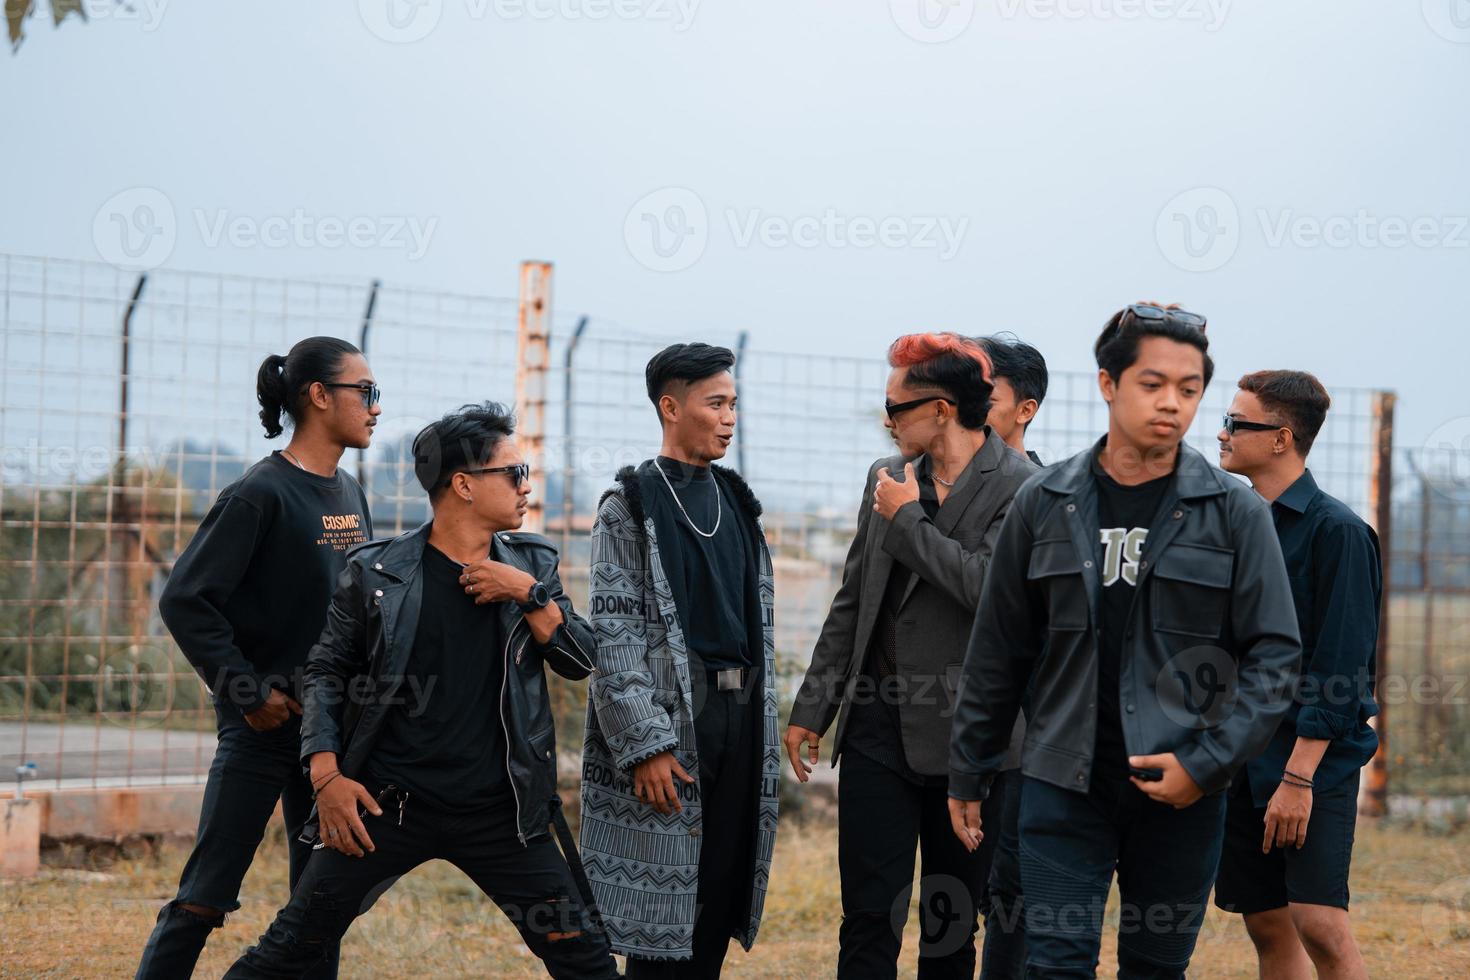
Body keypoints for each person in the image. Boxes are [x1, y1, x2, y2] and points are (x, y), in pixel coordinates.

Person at [947, 303, 1303, 978]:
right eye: (1152, 384)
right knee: (1053, 965)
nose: (1172, 403)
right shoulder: (1045, 502)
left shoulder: (1235, 513)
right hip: (1062, 783)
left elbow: (1275, 659)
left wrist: (1207, 764)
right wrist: (971, 766)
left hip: (1183, 794)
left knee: (1155, 967)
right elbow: (999, 649)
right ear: (1109, 384)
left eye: (1189, 389)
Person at [224, 402, 619, 978]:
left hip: (501, 812)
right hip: (388, 805)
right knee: (294, 945)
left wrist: (529, 594)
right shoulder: (376, 574)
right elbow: (326, 674)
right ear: (462, 484)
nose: (525, 486)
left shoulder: (532, 565)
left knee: (580, 953)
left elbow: (580, 661)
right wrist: (326, 775)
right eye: (513, 473)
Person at [786, 332, 1037, 978]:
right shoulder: (886, 477)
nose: (887, 420)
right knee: (868, 919)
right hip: (878, 728)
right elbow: (853, 599)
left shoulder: (1026, 488)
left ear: (942, 410)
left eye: (896, 408)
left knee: (950, 928)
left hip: (973, 740)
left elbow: (990, 591)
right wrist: (813, 705)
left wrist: (908, 523)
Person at [136, 337, 377, 979]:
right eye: (366, 392)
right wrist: (246, 693)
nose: (377, 408)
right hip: (262, 730)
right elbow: (186, 600)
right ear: (319, 396)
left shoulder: (350, 490)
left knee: (319, 902)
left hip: (325, 736)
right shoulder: (261, 493)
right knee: (204, 896)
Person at [580, 343, 780, 978]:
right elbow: (613, 638)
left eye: (734, 404)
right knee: (661, 923)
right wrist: (644, 745)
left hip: (740, 721)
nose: (729, 418)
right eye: (715, 403)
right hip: (673, 728)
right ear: (670, 407)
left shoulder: (739, 504)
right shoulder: (630, 508)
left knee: (718, 904)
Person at [1214, 371, 1379, 980]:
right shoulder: (1234, 524)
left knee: (1320, 923)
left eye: (1237, 423)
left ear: (1281, 439)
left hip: (1311, 761)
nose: (1223, 433)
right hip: (1242, 756)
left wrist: (1298, 778)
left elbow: (1343, 668)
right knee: (1267, 922)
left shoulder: (1338, 533)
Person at [977, 334, 1049, 466]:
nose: (968, 409)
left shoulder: (1042, 486)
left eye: (985, 401)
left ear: (1025, 411)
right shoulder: (939, 478)